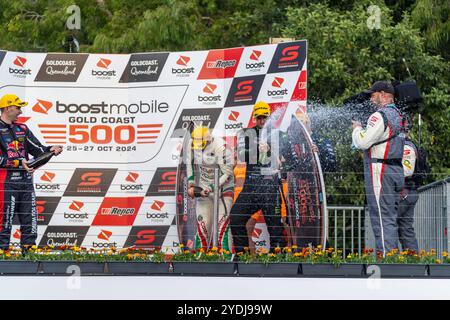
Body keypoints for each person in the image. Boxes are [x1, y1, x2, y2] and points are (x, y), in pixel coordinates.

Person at [0, 94, 63, 251]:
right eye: (18, 107)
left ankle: (29, 253)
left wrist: (51, 149)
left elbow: (38, 149)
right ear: (8, 108)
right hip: (5, 182)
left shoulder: (22, 128)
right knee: (4, 219)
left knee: (30, 219)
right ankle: (2, 252)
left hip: (26, 181)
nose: (20, 111)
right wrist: (16, 162)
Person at [351, 81, 405, 257]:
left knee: (380, 217)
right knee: (389, 217)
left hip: (380, 169)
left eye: (373, 95)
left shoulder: (379, 115)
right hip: (396, 169)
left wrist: (357, 128)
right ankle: (392, 257)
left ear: (383, 95)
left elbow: (362, 142)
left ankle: (387, 260)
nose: (371, 99)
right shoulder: (400, 115)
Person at [230, 101, 287, 252]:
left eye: (265, 118)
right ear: (254, 118)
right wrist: (257, 149)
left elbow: (284, 159)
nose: (262, 121)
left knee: (275, 227)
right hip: (251, 188)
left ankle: (278, 260)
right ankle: (242, 256)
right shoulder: (245, 133)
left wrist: (270, 152)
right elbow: (242, 155)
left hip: (270, 188)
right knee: (236, 218)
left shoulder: (278, 134)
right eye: (259, 117)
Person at [186, 125, 234, 251]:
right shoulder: (192, 142)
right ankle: (199, 258)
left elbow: (227, 174)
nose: (198, 149)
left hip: (223, 189)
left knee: (222, 225)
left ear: (208, 140)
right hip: (204, 188)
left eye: (201, 145)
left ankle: (226, 258)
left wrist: (212, 188)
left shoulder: (222, 147)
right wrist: (191, 182)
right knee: (203, 224)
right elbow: (189, 163)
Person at [398, 117, 421, 252]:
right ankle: (412, 261)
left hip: (404, 192)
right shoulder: (409, 144)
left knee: (388, 224)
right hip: (409, 192)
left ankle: (391, 260)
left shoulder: (406, 146)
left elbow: (406, 171)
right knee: (406, 229)